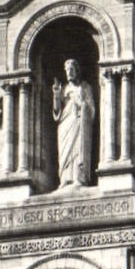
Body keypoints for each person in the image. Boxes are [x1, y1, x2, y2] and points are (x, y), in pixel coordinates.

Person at [52, 58, 97, 188]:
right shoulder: (63, 89)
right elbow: (57, 111)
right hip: (65, 122)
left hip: (79, 122)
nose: (69, 72)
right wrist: (56, 95)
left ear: (77, 71)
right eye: (67, 70)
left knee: (78, 148)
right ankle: (65, 178)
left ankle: (79, 177)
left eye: (72, 69)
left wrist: (82, 104)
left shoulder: (85, 87)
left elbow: (91, 108)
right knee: (65, 152)